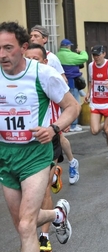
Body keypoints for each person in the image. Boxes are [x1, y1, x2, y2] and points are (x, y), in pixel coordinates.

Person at [0, 21, 79, 252]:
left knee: (26, 226)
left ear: (23, 47)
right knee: (22, 223)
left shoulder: (42, 73)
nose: (2, 54)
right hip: (5, 156)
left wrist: (54, 128)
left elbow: (72, 106)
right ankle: (57, 214)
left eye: (8, 48)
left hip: (35, 155)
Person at [24, 43, 67, 252]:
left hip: (49, 141)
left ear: (45, 62)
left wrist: (57, 125)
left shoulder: (49, 79)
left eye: (36, 59)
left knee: (42, 193)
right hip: (23, 147)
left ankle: (44, 237)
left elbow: (70, 105)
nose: (32, 63)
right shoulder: (17, 82)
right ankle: (57, 214)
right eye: (28, 58)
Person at [29, 25, 80, 186]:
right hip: (35, 108)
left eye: (36, 35)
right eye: (31, 35)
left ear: (45, 39)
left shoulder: (52, 58)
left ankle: (71, 162)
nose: (33, 38)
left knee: (57, 137)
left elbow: (63, 81)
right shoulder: (25, 59)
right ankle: (53, 169)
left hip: (53, 104)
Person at [56, 38, 88, 132]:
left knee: (63, 105)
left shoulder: (57, 55)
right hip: (72, 82)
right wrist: (82, 52)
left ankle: (64, 125)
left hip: (61, 83)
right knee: (74, 104)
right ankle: (73, 125)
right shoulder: (70, 55)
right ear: (68, 46)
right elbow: (84, 58)